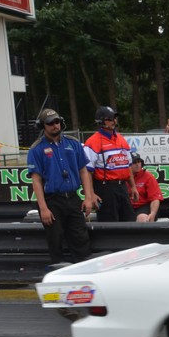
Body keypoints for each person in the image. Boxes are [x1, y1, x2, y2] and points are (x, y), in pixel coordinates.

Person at [26, 109, 98, 265]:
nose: (54, 126)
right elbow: (36, 181)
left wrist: (88, 197)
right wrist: (43, 208)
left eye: (56, 122)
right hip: (52, 200)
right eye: (50, 123)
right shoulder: (36, 149)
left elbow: (84, 171)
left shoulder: (73, 143)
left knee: (80, 237)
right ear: (43, 126)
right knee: (55, 239)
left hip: (73, 197)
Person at [83, 106, 138, 221]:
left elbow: (127, 165)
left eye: (114, 118)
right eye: (110, 119)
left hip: (122, 186)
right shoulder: (92, 142)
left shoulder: (121, 139)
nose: (114, 121)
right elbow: (87, 171)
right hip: (105, 188)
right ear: (100, 121)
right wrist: (91, 194)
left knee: (130, 220)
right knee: (109, 221)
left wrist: (133, 186)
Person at [129, 154, 164, 222]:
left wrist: (153, 213)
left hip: (143, 206)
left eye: (139, 162)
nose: (137, 164)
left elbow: (155, 198)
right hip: (128, 207)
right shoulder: (122, 177)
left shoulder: (148, 176)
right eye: (134, 162)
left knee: (142, 218)